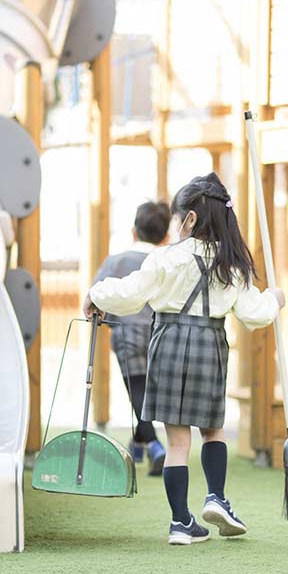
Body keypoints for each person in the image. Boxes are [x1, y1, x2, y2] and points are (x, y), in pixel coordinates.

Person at [84, 172, 285, 546]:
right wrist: (276, 298)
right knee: (212, 431)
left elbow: (129, 295)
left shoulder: (166, 259)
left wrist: (95, 294)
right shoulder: (233, 264)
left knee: (177, 443)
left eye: (179, 217)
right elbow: (254, 314)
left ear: (190, 219)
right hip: (210, 341)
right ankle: (217, 498)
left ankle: (181, 523)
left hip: (168, 339)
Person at [92, 200, 172, 476]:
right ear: (166, 236)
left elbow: (98, 292)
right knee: (148, 391)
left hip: (126, 332)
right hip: (161, 333)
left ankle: (154, 445)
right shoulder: (168, 261)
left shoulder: (116, 261)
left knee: (137, 390)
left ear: (133, 232)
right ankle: (138, 443)